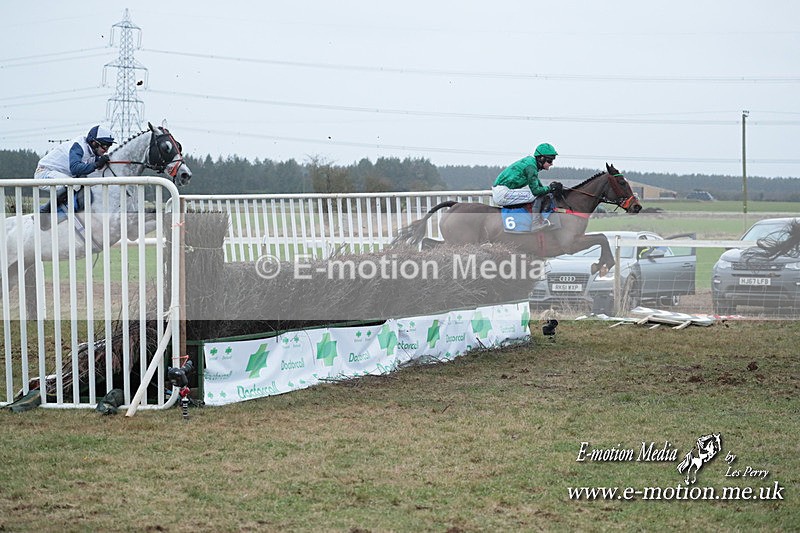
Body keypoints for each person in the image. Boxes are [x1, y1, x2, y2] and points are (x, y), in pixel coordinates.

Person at [34, 125, 115, 229]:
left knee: (82, 182)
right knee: (74, 184)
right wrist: (97, 164)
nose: (106, 150)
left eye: (109, 146)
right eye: (104, 146)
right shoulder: (79, 146)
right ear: (94, 143)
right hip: (44, 173)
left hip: (60, 174)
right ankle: (44, 211)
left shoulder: (92, 151)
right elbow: (75, 168)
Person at [492, 142, 564, 229]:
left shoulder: (531, 163)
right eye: (550, 161)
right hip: (502, 193)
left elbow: (540, 187)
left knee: (541, 194)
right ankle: (535, 223)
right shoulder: (531, 167)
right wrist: (550, 188)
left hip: (503, 191)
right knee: (536, 195)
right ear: (541, 158)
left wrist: (551, 189)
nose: (551, 164)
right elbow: (536, 191)